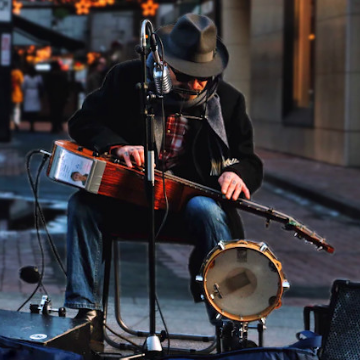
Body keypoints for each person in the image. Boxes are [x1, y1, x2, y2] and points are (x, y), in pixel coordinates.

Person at [65, 13, 263, 349]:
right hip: (129, 200)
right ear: (164, 64)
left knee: (207, 209)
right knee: (82, 204)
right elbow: (83, 122)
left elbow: (250, 161)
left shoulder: (229, 102)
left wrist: (236, 173)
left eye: (204, 77)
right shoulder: (126, 79)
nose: (196, 85)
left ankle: (230, 324)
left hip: (186, 211)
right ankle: (87, 315)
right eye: (186, 76)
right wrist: (116, 144)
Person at [44, 61, 70, 133]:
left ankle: (54, 126)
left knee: (53, 111)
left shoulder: (50, 75)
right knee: (60, 112)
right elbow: (66, 86)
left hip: (52, 96)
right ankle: (59, 125)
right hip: (61, 96)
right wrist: (67, 96)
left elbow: (47, 86)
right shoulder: (63, 75)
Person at [22, 64, 44, 132]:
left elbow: (23, 86)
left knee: (29, 110)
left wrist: (24, 92)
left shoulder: (26, 77)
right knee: (34, 110)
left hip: (28, 93)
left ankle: (31, 124)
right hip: (35, 93)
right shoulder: (38, 77)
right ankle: (32, 124)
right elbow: (41, 85)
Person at [10, 64, 24, 131]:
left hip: (10, 93)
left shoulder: (9, 72)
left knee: (10, 110)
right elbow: (22, 82)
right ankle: (16, 122)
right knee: (17, 109)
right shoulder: (19, 73)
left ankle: (11, 122)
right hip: (17, 93)